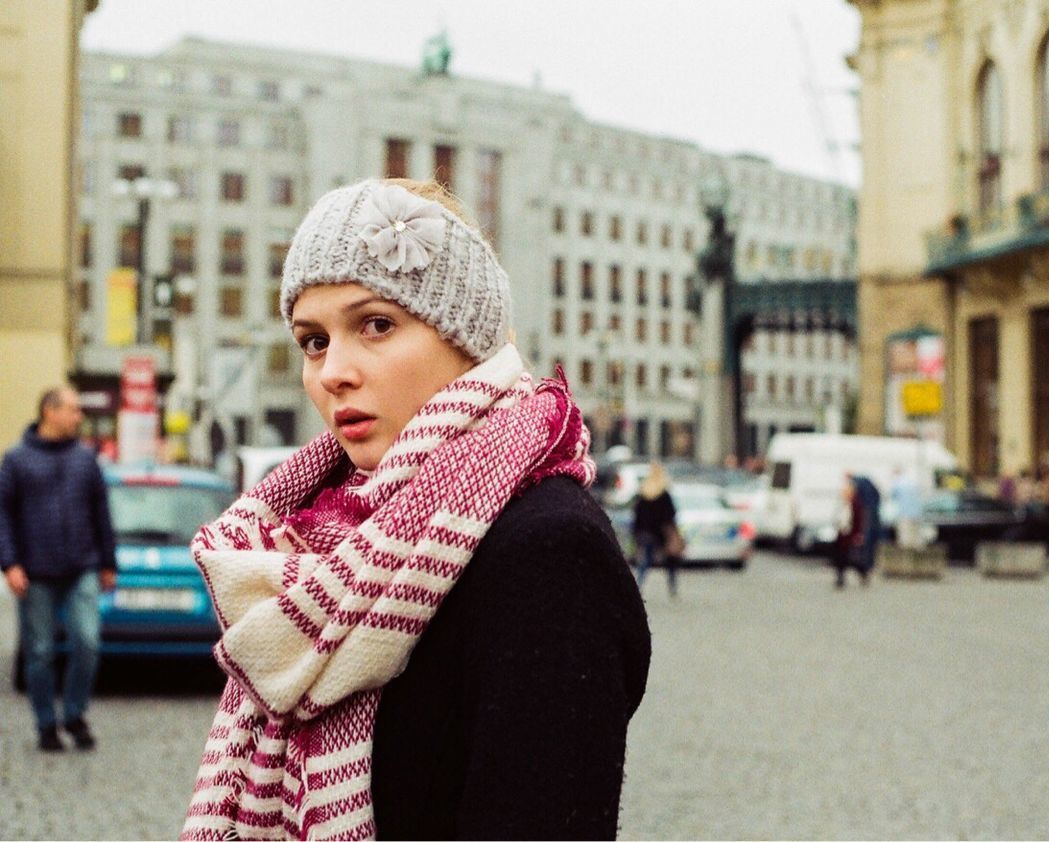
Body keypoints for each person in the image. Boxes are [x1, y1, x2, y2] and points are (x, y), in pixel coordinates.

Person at [181, 178, 651, 841]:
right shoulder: (317, 539)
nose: (332, 371)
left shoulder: (548, 552)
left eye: (376, 325)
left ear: (468, 340)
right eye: (314, 341)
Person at [0, 386, 116, 752]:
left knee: (87, 643)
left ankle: (75, 714)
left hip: (82, 566)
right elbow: (2, 514)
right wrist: (10, 563)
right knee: (39, 653)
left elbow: (101, 512)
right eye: (73, 410)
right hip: (34, 572)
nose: (79, 417)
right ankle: (46, 724)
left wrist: (108, 562)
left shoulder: (85, 459)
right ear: (49, 412)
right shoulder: (16, 460)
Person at [632, 462, 680, 598]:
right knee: (670, 562)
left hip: (645, 533)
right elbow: (670, 515)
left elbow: (637, 514)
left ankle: (638, 587)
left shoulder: (643, 491)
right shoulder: (664, 494)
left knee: (645, 561)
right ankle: (672, 587)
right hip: (661, 533)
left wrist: (636, 533)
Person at [832, 474, 867, 589]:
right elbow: (838, 517)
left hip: (850, 535)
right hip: (841, 534)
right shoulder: (842, 504)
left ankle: (862, 571)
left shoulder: (856, 505)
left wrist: (858, 535)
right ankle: (840, 578)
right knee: (840, 558)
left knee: (851, 559)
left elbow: (859, 521)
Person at [853, 474, 882, 582]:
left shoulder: (863, 504)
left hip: (864, 529)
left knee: (863, 548)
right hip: (870, 528)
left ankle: (864, 569)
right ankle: (866, 569)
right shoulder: (873, 500)